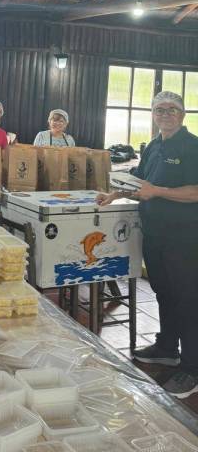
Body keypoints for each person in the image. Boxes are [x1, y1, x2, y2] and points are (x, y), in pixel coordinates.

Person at [97, 90, 198, 398]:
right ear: (153, 114)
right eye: (159, 109)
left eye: (171, 109)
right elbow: (140, 183)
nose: (165, 114)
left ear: (182, 115)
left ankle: (192, 368)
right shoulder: (153, 145)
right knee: (164, 292)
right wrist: (114, 194)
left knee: (187, 299)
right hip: (155, 234)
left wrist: (158, 191)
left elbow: (195, 191)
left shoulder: (192, 146)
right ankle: (167, 348)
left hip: (184, 237)